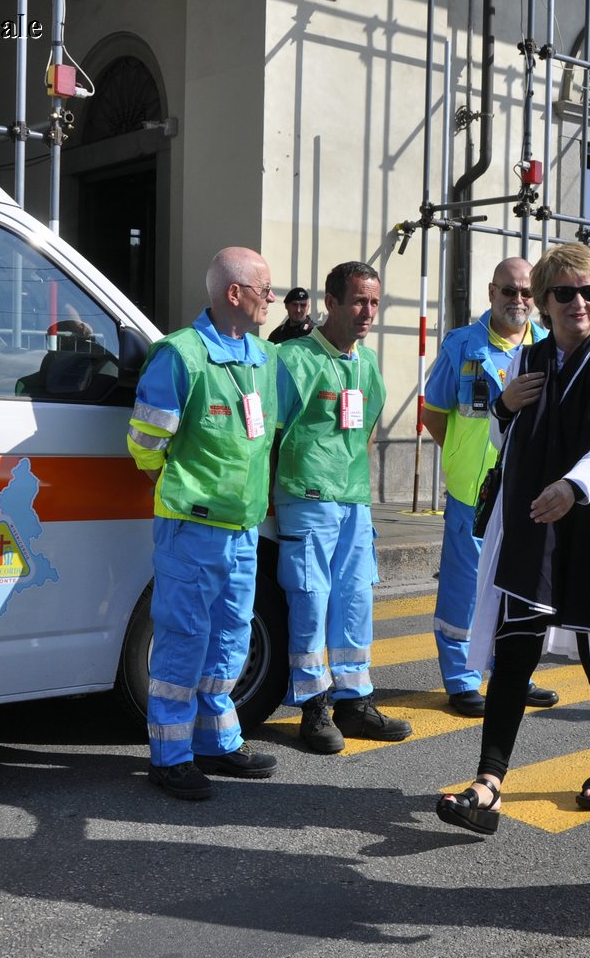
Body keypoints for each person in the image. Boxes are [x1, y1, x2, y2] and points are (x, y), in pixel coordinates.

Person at [434, 242, 590, 834]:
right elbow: (498, 442)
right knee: (517, 644)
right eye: (564, 293)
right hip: (534, 519)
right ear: (543, 302)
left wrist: (573, 486)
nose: (579, 303)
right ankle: (488, 781)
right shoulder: (527, 361)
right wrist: (504, 410)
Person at [126, 246, 280, 800]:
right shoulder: (180, 355)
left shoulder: (262, 358)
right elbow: (146, 442)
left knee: (231, 637)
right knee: (183, 639)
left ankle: (218, 740)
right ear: (234, 294)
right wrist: (170, 485)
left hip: (241, 529)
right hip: (190, 527)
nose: (273, 299)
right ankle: (170, 756)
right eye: (266, 289)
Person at [276, 262, 413, 753]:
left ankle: (354, 702)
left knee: (356, 598)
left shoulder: (367, 362)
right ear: (329, 303)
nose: (368, 312)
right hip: (306, 498)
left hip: (353, 500)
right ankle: (313, 707)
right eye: (358, 301)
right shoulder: (291, 359)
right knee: (311, 600)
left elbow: (368, 428)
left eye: (374, 302)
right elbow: (269, 434)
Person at [420, 257, 559, 716]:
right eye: (508, 291)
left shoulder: (549, 345)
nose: (517, 300)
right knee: (465, 587)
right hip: (473, 491)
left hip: (529, 489)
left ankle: (515, 673)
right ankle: (461, 681)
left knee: (520, 584)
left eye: (525, 293)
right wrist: (463, 456)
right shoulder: (464, 345)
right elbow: (435, 413)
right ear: (490, 291)